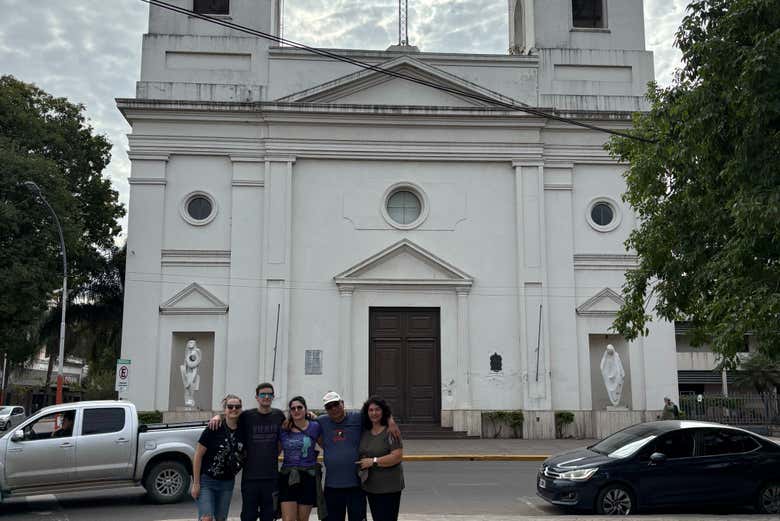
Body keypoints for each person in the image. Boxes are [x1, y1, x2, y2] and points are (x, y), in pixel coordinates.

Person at [316, 391, 401, 521]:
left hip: (356, 486)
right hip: (332, 486)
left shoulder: (357, 418)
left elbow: (376, 414)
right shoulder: (322, 421)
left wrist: (390, 420)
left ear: (342, 403)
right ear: (326, 409)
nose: (334, 409)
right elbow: (303, 420)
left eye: (336, 404)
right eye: (329, 407)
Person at [209, 382, 285, 521]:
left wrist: (310, 415)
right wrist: (218, 416)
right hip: (250, 477)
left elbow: (293, 423)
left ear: (273, 396)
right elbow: (231, 414)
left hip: (271, 477)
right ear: (257, 397)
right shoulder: (247, 416)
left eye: (269, 394)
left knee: (268, 516)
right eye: (263, 394)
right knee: (248, 516)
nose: (266, 397)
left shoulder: (279, 415)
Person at [192, 394, 244, 521]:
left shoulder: (243, 429)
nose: (234, 409)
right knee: (206, 518)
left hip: (227, 483)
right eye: (230, 406)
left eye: (237, 406)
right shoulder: (214, 427)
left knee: (221, 518)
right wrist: (196, 483)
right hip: (207, 481)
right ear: (225, 409)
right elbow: (198, 455)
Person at [357, 396, 404, 521]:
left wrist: (373, 461)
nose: (374, 413)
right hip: (371, 486)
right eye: (371, 410)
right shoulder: (365, 431)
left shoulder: (391, 431)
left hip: (389, 487)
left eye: (377, 409)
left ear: (383, 411)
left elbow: (397, 456)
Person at [279, 396, 325, 521]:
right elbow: (276, 451)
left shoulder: (315, 427)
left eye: (299, 407)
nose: (296, 410)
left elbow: (326, 445)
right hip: (288, 475)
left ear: (305, 409)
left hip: (308, 476)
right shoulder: (284, 428)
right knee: (288, 519)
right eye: (293, 408)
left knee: (302, 519)